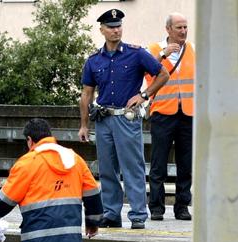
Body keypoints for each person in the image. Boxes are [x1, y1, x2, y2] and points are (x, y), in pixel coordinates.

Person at [78, 8, 169, 230]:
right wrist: (83, 125)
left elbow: (163, 74)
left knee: (132, 168)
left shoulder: (136, 53)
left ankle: (138, 215)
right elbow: (86, 94)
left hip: (126, 119)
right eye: (110, 27)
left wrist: (144, 95)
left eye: (118, 26)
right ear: (102, 30)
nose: (115, 30)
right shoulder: (93, 60)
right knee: (107, 169)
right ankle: (111, 213)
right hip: (103, 118)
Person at [144, 12, 194, 221]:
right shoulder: (154, 49)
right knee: (158, 163)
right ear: (168, 30)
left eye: (185, 27)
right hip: (163, 113)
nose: (183, 31)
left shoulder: (191, 49)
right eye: (179, 28)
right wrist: (163, 54)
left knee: (186, 163)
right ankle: (156, 207)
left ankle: (182, 206)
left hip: (188, 113)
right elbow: (146, 71)